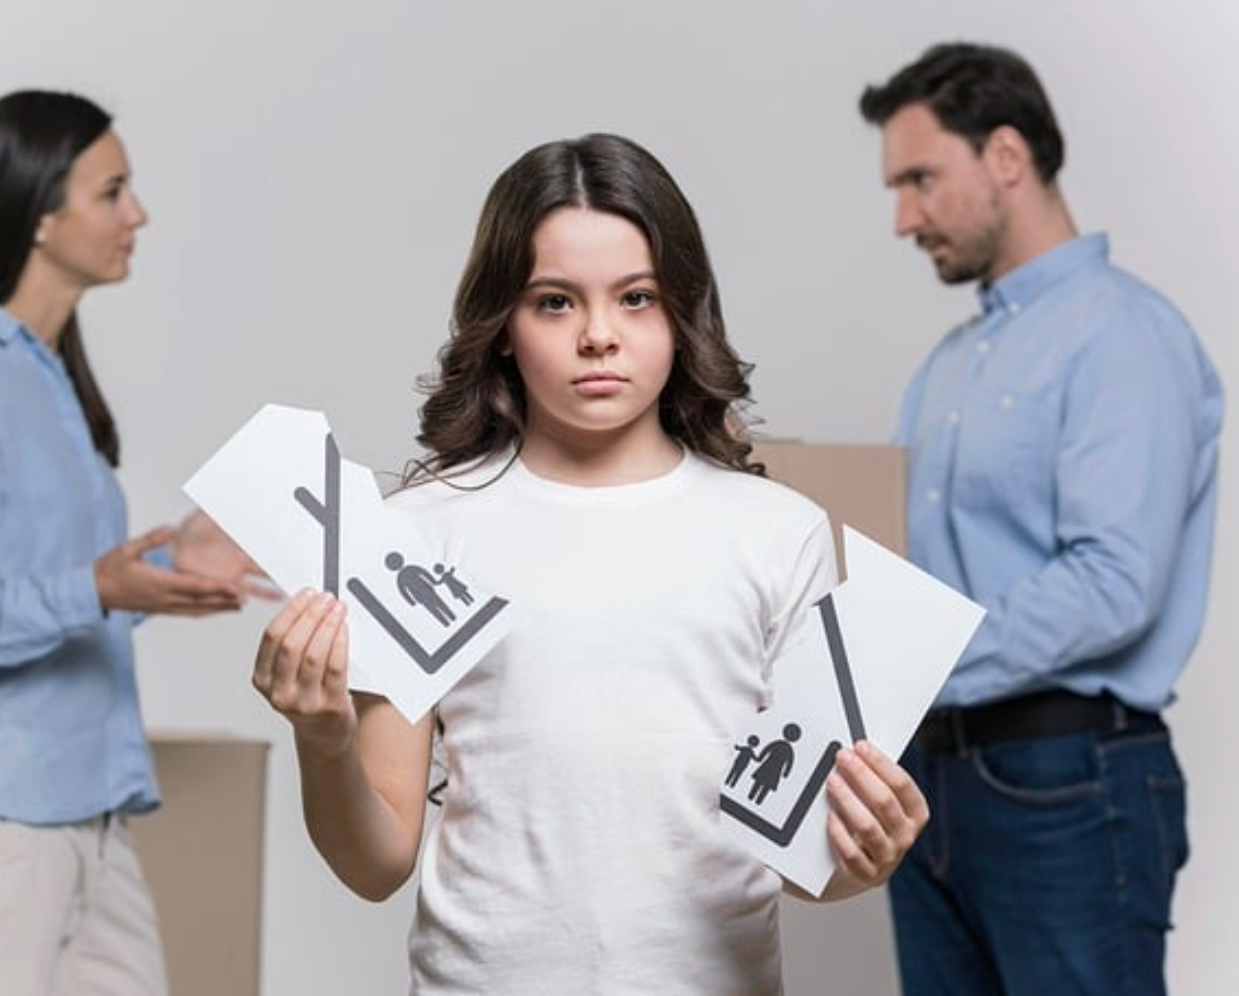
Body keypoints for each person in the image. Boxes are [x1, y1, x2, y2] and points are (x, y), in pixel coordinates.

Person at [251, 132, 928, 994]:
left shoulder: (778, 534)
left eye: (637, 298)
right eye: (556, 302)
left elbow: (805, 864)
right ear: (501, 327)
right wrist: (322, 736)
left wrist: (865, 854)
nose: (600, 335)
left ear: (683, 314)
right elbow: (378, 861)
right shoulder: (417, 533)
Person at [0, 90, 266, 996]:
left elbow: (73, 588)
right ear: (39, 211)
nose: (139, 214)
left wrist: (168, 568)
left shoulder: (48, 386)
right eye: (113, 191)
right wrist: (99, 589)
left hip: (87, 810)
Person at [858, 43, 1224, 995]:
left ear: (1007, 157)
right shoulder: (946, 365)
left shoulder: (1124, 335)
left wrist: (908, 663)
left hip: (1065, 783)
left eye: (921, 180)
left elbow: (1113, 585)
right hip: (927, 782)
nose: (903, 218)